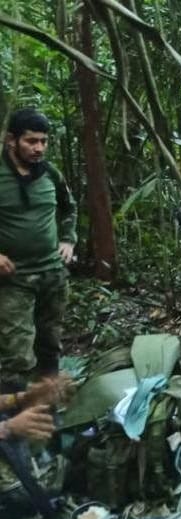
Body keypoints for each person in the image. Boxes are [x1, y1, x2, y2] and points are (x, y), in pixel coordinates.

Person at [0, 108, 77, 393]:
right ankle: (13, 425)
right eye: (31, 141)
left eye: (43, 141)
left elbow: (69, 208)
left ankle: (48, 413)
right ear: (11, 140)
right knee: (17, 356)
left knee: (50, 345)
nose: (39, 148)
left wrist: (68, 240)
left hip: (52, 274)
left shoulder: (50, 174)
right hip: (14, 280)